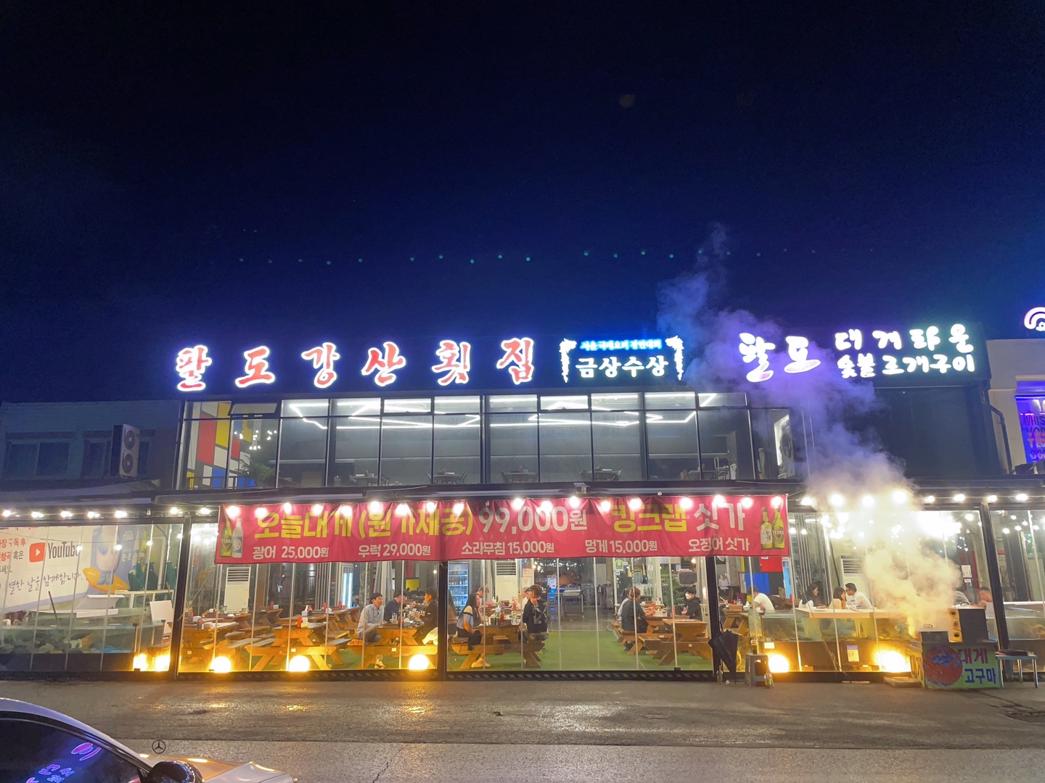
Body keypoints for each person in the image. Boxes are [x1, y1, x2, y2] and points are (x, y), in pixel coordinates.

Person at [521, 585, 549, 668]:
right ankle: (531, 656)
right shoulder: (545, 602)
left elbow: (524, 619)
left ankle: (529, 658)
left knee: (520, 635)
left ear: (533, 593)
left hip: (534, 632)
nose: (528, 593)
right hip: (544, 631)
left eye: (529, 591)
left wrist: (530, 604)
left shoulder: (530, 604)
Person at [456, 590, 485, 666]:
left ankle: (479, 658)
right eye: (477, 599)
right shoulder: (469, 608)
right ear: (473, 600)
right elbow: (465, 625)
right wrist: (474, 631)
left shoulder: (474, 608)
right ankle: (474, 654)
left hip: (467, 629)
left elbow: (482, 621)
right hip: (463, 631)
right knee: (479, 634)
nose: (479, 601)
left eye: (479, 599)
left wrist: (478, 610)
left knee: (481, 634)